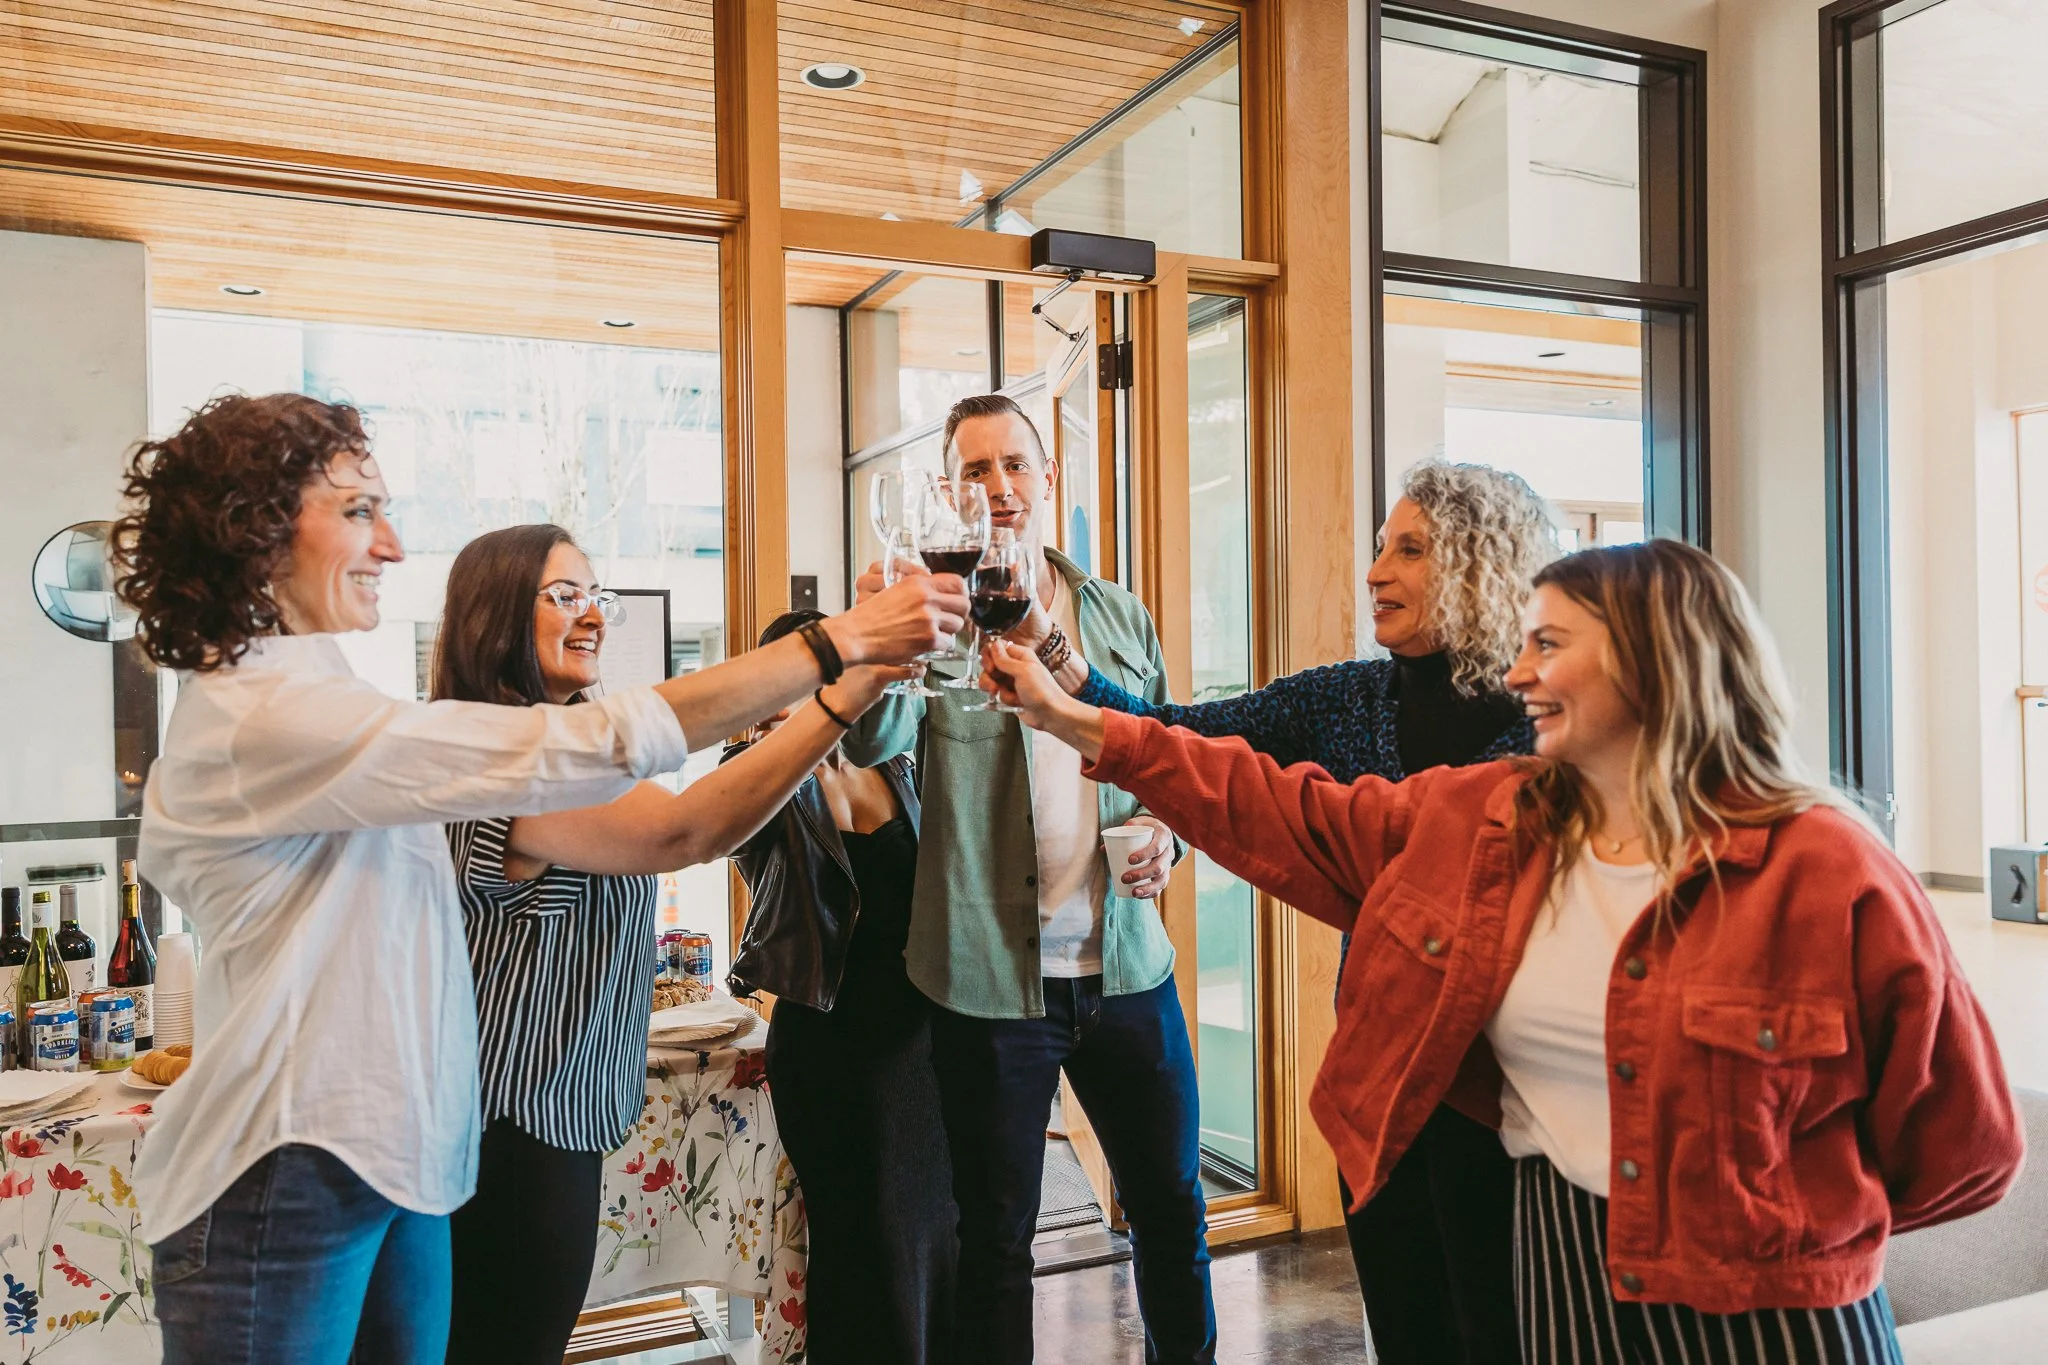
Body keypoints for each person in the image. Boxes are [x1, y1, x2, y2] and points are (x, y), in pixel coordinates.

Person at [983, 538, 2023, 1365]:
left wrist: (1785, 1221)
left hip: (1772, 1311)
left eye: (1548, 644)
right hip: (1560, 1275)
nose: (1516, 671)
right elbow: (1273, 804)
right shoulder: (1486, 820)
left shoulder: (1824, 869)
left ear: (1655, 660)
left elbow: (1962, 1147)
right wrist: (1075, 721)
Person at [111, 392, 966, 1365]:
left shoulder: (332, 700)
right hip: (287, 1163)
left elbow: (663, 800)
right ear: (253, 528)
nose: (391, 545)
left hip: (398, 1159)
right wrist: (838, 646)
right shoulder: (267, 717)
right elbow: (678, 818)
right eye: (358, 510)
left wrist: (848, 684)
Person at [1016, 459, 1557, 1363]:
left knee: (1499, 1331)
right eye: (1380, 547)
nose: (1376, 570)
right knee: (1411, 1327)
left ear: (1475, 567)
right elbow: (1185, 732)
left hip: (1500, 1089)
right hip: (1380, 1076)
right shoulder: (1350, 695)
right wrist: (1059, 661)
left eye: (1409, 550)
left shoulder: (1542, 724)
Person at [428, 530, 922, 1365]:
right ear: (495, 612)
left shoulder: (571, 737)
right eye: (564, 596)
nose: (591, 615)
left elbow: (672, 722)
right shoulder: (509, 758)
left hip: (556, 1118)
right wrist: (845, 685)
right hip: (506, 1127)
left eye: (597, 596)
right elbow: (689, 828)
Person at [846, 393, 1214, 1365]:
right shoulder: (938, 614)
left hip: (1130, 970)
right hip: (987, 979)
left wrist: (1164, 841)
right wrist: (879, 640)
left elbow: (1166, 759)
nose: (999, 487)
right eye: (975, 470)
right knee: (996, 1243)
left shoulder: (1113, 613)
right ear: (947, 490)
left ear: (1048, 479)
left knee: (1174, 1210)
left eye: (1014, 464)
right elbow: (875, 743)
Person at [724, 609, 957, 1365]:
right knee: (866, 1245)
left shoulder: (895, 758)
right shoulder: (764, 774)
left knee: (928, 1238)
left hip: (919, 1043)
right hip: (832, 1050)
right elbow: (724, 825)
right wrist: (760, 736)